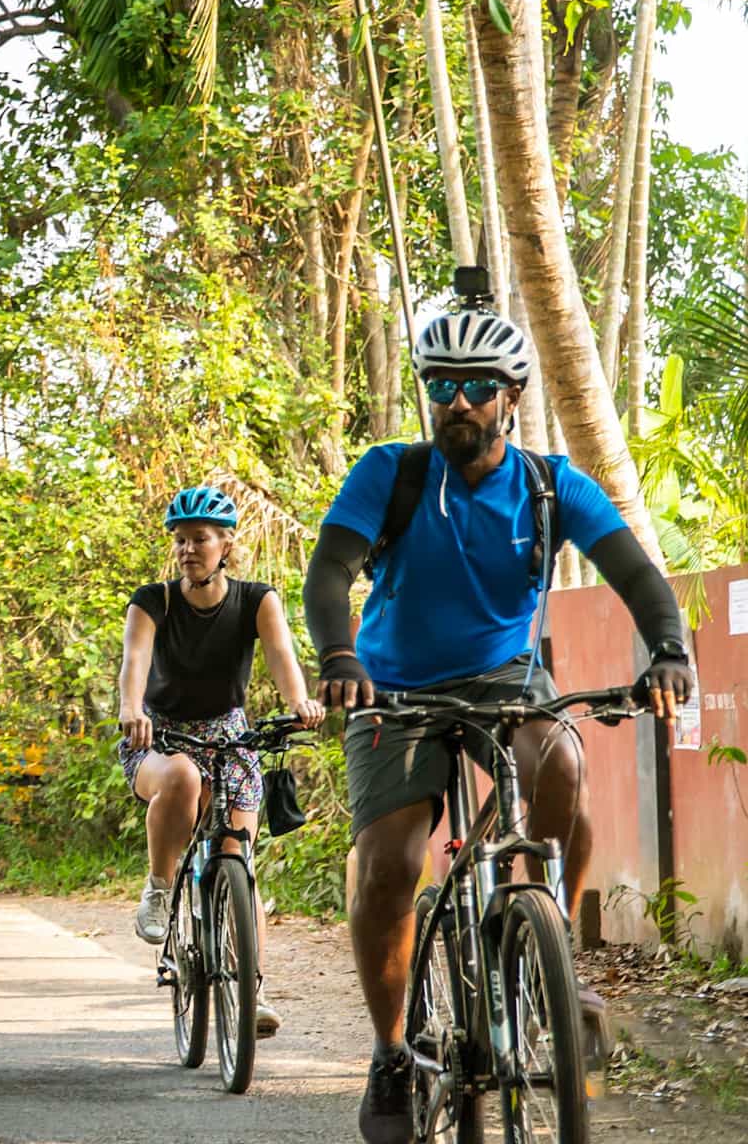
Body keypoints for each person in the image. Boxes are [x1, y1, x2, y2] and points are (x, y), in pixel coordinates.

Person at [302, 298, 694, 1144]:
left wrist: (669, 649)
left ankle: (539, 929)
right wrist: (339, 658)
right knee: (389, 865)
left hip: (504, 676)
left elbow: (637, 573)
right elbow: (330, 570)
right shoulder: (392, 473)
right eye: (441, 385)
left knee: (562, 764)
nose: (458, 402)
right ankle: (390, 1052)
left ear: (510, 394)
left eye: (477, 386)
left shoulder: (553, 485)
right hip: (392, 687)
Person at [118, 485, 324, 1038]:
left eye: (200, 540)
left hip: (231, 738)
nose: (188, 550)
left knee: (239, 860)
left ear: (226, 544)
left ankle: (250, 987)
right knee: (182, 777)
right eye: (180, 541)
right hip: (159, 737)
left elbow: (281, 655)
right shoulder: (153, 600)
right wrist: (130, 709)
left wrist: (299, 702)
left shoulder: (257, 599)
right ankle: (161, 887)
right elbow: (135, 660)